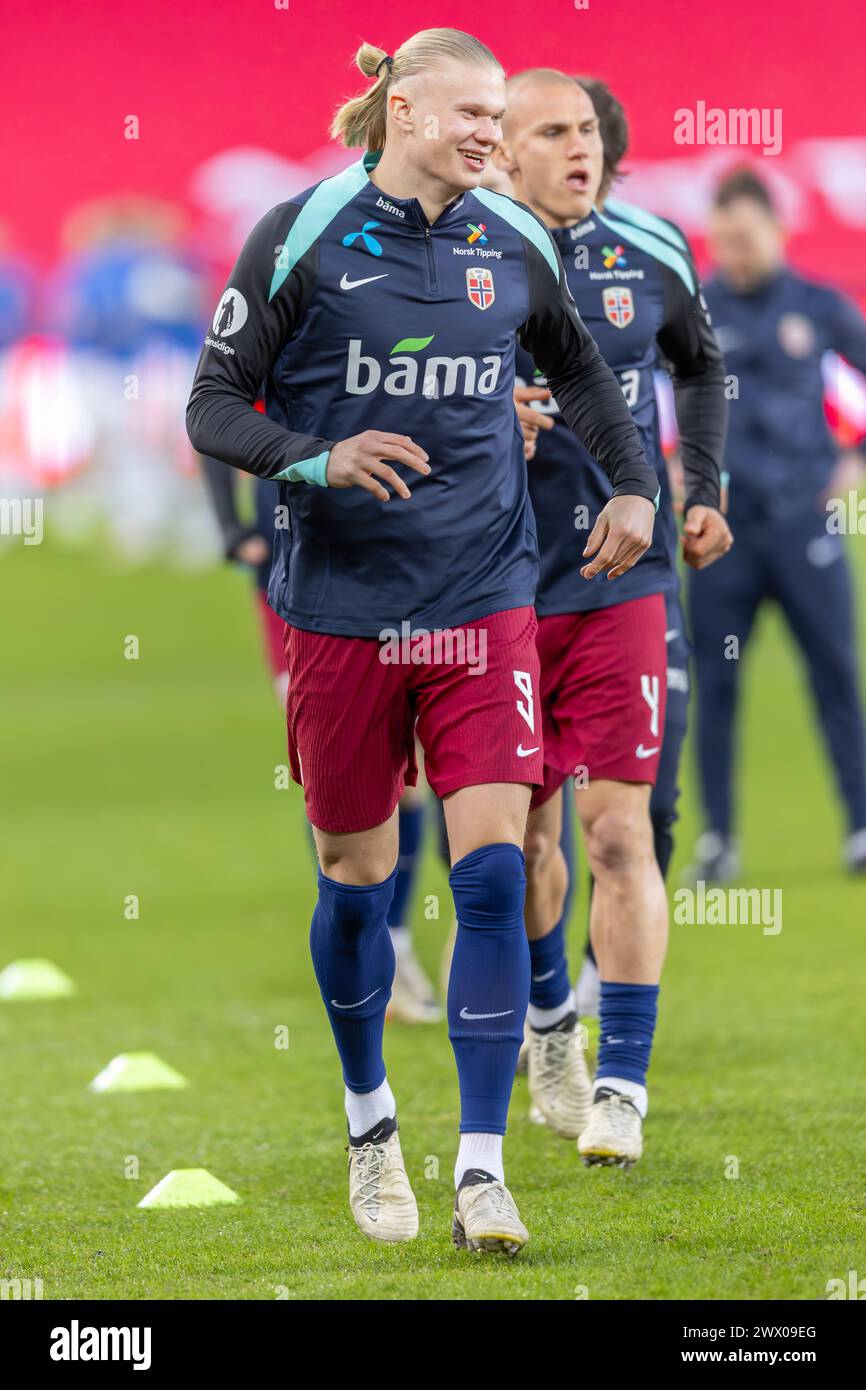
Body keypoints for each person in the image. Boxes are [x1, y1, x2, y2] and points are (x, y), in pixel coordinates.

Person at [187, 28, 658, 1255]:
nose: (490, 134)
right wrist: (318, 457)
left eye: (500, 115)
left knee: (492, 870)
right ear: (401, 110)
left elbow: (590, 382)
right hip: (340, 610)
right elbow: (210, 404)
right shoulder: (300, 235)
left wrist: (629, 488)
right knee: (353, 875)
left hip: (484, 598)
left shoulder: (513, 242)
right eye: (470, 114)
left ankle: (482, 1169)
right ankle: (369, 1123)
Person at [495, 68, 730, 1165]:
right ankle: (550, 1029)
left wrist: (704, 490)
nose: (578, 149)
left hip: (620, 583)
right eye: (552, 132)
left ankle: (621, 1083)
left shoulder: (650, 248)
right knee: (525, 842)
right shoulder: (460, 261)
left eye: (586, 131)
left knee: (620, 829)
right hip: (494, 590)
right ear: (502, 149)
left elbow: (700, 367)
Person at [199, 458, 441, 1021]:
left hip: (393, 567)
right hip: (292, 576)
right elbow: (217, 418)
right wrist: (230, 527)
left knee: (408, 767)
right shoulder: (279, 367)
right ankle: (355, 937)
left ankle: (393, 943)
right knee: (331, 764)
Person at [688, 168, 866, 880]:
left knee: (834, 675)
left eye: (745, 237)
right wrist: (666, 466)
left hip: (803, 524)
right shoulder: (694, 306)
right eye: (722, 239)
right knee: (716, 684)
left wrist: (856, 454)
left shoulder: (819, 305)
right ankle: (719, 839)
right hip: (723, 531)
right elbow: (651, 393)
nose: (733, 251)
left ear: (778, 230)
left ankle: (859, 825)